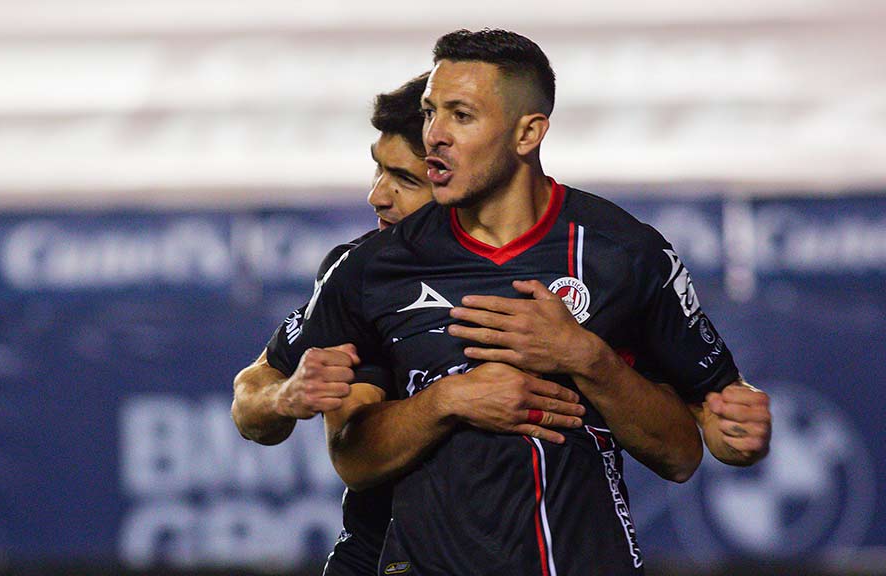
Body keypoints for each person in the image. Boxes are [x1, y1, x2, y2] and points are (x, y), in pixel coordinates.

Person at [292, 29, 769, 576]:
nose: (434, 137)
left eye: (461, 116)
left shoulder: (624, 253)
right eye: (430, 113)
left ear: (528, 133)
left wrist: (584, 357)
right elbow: (351, 459)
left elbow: (686, 452)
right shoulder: (374, 268)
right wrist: (449, 399)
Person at [231, 72, 591, 576]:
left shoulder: (584, 261)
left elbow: (680, 442)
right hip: (385, 559)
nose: (378, 196)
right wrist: (285, 397)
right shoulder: (367, 273)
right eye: (378, 170)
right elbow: (324, 441)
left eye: (405, 180)